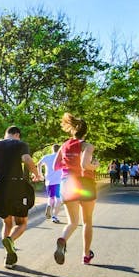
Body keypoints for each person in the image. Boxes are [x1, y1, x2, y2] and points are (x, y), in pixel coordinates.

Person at [0, 126, 42, 268]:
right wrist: (36, 174)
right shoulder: (20, 144)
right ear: (17, 135)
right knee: (21, 223)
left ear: (6, 134)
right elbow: (26, 159)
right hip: (16, 187)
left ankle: (9, 257)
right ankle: (10, 240)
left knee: (7, 223)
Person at [53, 113, 99, 266]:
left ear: (73, 130)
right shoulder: (87, 146)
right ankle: (86, 255)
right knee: (87, 221)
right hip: (84, 183)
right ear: (85, 132)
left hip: (67, 183)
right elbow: (84, 165)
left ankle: (63, 240)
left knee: (72, 222)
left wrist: (68, 163)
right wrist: (95, 166)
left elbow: (55, 166)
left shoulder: (64, 146)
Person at [37, 144, 63, 222]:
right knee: (58, 199)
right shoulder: (62, 157)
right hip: (59, 181)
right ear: (60, 150)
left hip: (49, 180)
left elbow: (39, 164)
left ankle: (49, 205)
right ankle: (54, 217)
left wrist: (40, 174)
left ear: (52, 150)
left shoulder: (47, 157)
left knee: (51, 197)